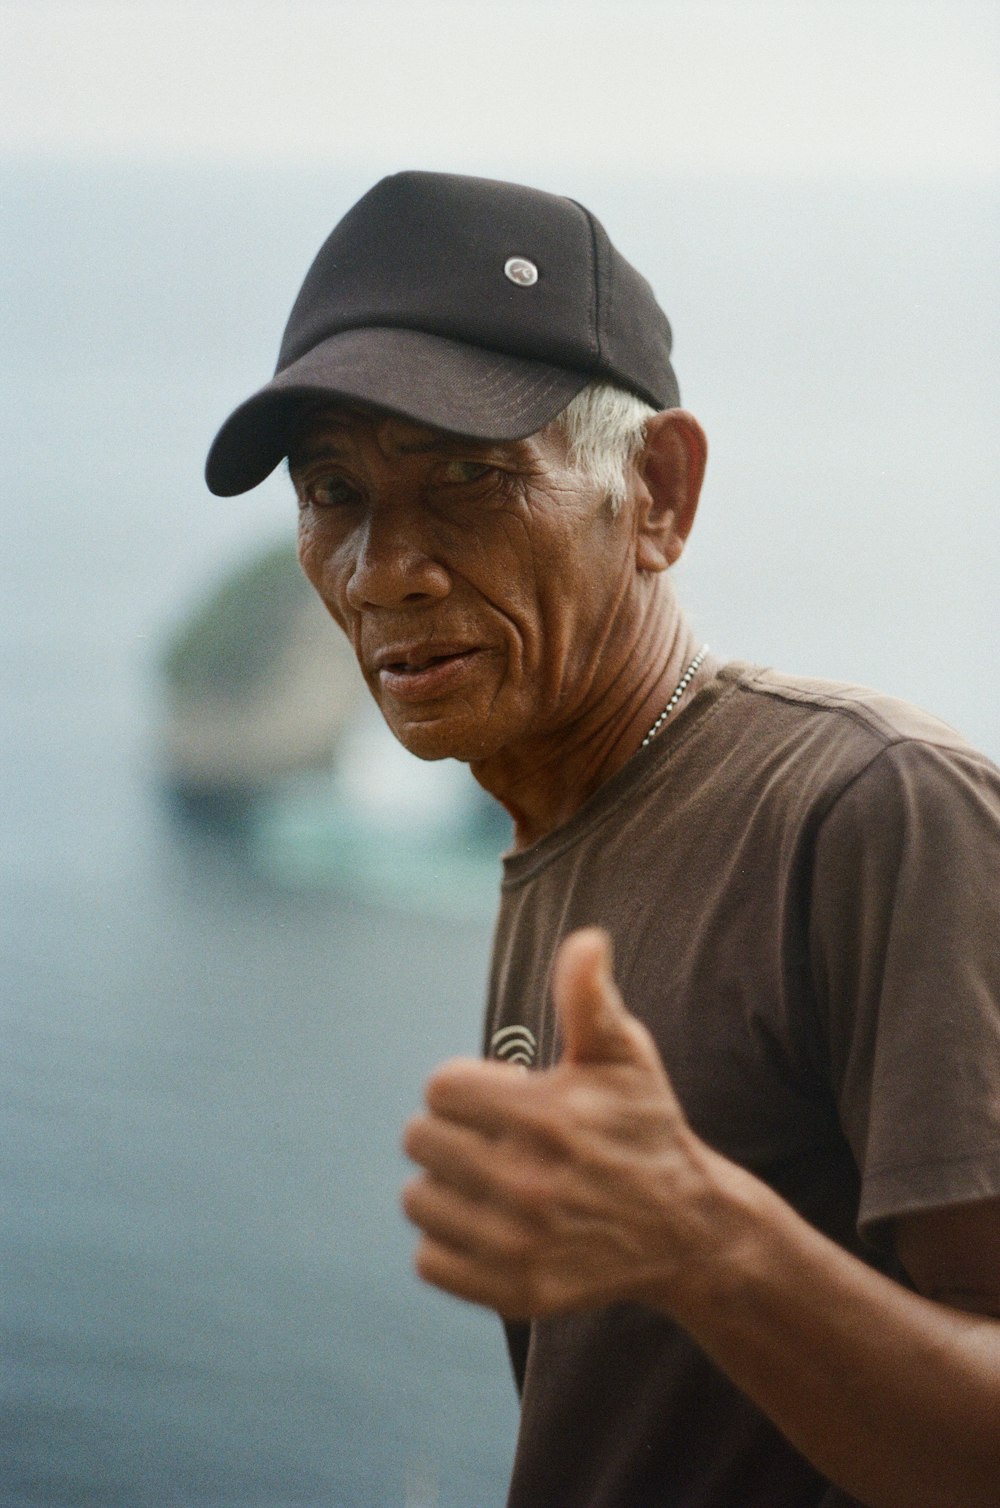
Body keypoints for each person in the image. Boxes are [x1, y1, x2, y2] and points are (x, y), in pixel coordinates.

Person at [205, 171, 1000, 1507]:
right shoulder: (561, 818)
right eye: (333, 489)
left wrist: (700, 1236)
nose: (384, 567)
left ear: (660, 496)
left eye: (468, 477)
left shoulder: (882, 812)